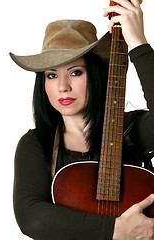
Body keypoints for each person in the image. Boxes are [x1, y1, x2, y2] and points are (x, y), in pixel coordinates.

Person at [10, 0, 154, 239]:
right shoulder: (36, 143)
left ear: (95, 75)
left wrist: (138, 43)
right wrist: (115, 230)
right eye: (52, 75)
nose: (63, 87)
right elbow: (31, 217)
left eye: (76, 72)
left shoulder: (130, 130)